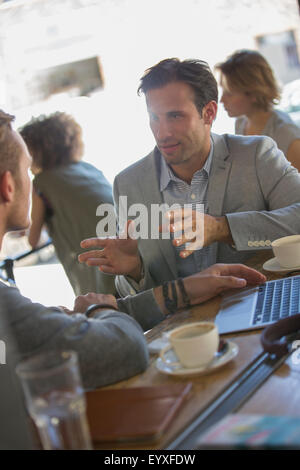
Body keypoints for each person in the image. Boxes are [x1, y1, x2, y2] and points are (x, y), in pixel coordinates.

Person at [0, 110, 266, 389]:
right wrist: (97, 310)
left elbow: (94, 314)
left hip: (96, 265)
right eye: (26, 169)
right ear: (8, 187)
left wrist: (185, 289)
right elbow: (122, 349)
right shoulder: (87, 169)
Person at [78, 58, 300, 296]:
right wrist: (133, 271)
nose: (162, 133)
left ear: (209, 113)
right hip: (183, 328)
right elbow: (135, 297)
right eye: (155, 117)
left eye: (175, 116)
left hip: (260, 303)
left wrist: (222, 228)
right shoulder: (128, 184)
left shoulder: (256, 155)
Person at [19, 112, 116, 296]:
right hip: (123, 250)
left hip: (96, 270)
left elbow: (33, 240)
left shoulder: (42, 183)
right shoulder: (88, 168)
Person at [215, 49, 300, 171]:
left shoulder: (286, 136)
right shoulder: (241, 123)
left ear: (253, 93)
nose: (222, 100)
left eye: (230, 93)